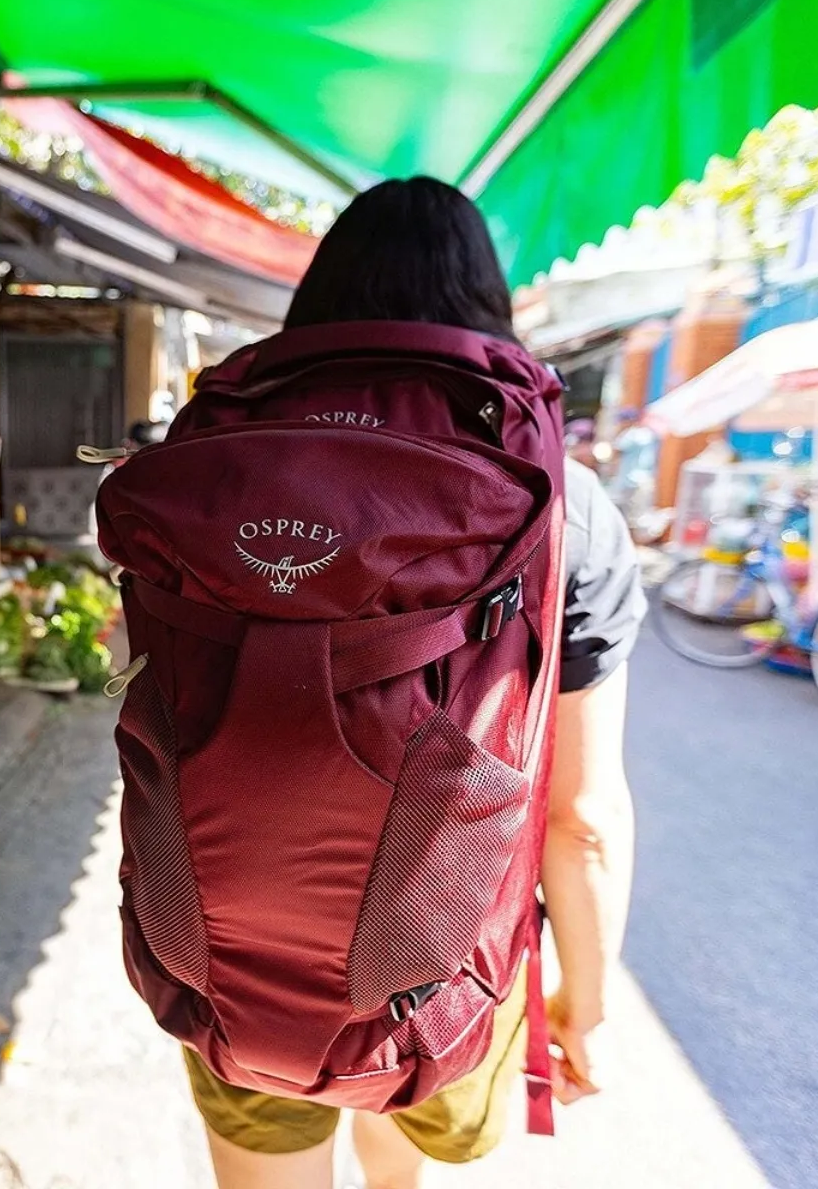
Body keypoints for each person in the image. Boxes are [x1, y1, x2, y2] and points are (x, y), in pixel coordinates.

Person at [178, 177, 646, 1189]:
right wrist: (587, 1003)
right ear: (485, 308)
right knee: (401, 1149)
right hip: (443, 971)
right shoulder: (564, 502)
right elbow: (583, 822)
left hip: (223, 941)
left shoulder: (222, 467)